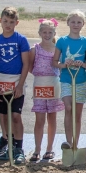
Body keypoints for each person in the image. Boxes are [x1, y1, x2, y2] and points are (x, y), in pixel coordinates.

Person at [0, 6, 32, 163]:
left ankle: (18, 147)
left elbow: (26, 64)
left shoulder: (21, 40)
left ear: (17, 23)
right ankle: (9, 144)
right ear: (0, 21)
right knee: (4, 116)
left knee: (15, 116)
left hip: (16, 82)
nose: (8, 24)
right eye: (5, 21)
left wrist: (20, 85)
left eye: (11, 22)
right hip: (1, 82)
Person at [54, 10, 86, 155]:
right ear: (68, 23)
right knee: (68, 108)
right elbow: (55, 61)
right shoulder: (62, 41)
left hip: (81, 81)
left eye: (79, 22)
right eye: (73, 22)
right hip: (66, 80)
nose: (76, 25)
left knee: (77, 114)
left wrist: (82, 64)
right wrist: (64, 64)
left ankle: (75, 144)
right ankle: (68, 141)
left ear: (83, 24)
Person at [30, 18, 63, 162]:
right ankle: (37, 149)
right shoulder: (35, 49)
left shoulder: (58, 49)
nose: (47, 34)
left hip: (54, 84)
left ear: (54, 33)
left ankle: (49, 149)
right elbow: (30, 66)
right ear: (40, 33)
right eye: (44, 32)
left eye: (50, 32)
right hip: (39, 84)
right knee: (39, 119)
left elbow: (59, 66)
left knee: (52, 118)